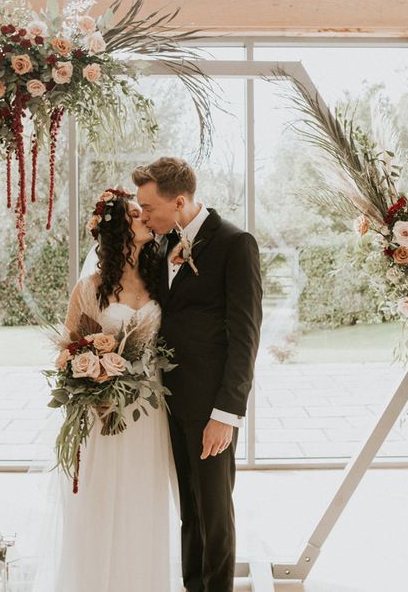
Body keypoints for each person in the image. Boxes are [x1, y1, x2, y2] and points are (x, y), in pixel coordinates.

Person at [32, 187, 179, 592]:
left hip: (149, 409)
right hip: (105, 412)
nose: (145, 218)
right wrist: (94, 386)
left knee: (143, 501)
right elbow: (68, 352)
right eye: (136, 214)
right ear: (117, 231)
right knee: (102, 502)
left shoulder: (160, 278)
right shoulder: (90, 288)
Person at [133, 157, 263, 592]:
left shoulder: (234, 243)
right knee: (189, 507)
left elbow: (245, 336)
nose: (144, 215)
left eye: (149, 207)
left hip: (211, 404)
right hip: (170, 400)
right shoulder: (159, 245)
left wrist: (226, 413)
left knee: (215, 512)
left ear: (180, 201)